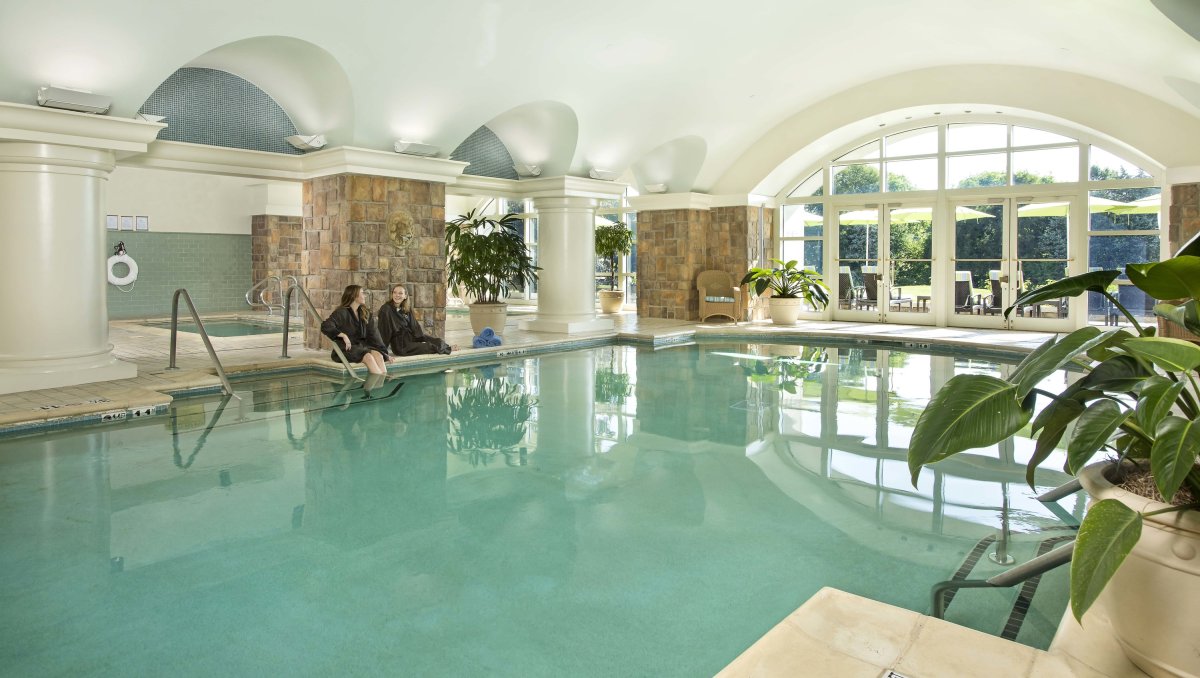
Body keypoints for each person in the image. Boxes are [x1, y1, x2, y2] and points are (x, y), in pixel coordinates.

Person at [321, 285, 390, 375]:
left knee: (379, 355)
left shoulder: (365, 313)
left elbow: (374, 334)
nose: (364, 296)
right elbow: (325, 325)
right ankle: (378, 384)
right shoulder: (341, 312)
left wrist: (384, 352)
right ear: (354, 296)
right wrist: (342, 335)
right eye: (362, 293)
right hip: (346, 349)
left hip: (361, 347)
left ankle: (382, 382)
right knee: (368, 357)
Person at [377, 284, 453, 356]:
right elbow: (384, 331)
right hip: (401, 346)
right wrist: (382, 351)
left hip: (411, 339)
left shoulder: (406, 309)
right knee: (428, 346)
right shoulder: (386, 309)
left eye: (400, 293)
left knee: (437, 340)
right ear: (392, 294)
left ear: (405, 296)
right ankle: (447, 349)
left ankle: (446, 347)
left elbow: (415, 327)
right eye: (395, 292)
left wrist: (423, 338)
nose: (397, 295)